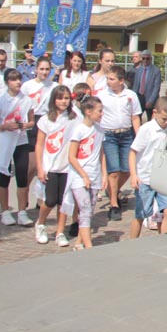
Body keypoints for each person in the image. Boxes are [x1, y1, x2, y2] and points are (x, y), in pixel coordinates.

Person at [33, 85, 79, 246]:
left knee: (63, 201)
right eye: (60, 98)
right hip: (50, 166)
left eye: (66, 98)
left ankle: (60, 232)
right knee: (50, 200)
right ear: (54, 100)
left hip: (67, 166)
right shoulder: (45, 120)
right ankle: (40, 224)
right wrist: (40, 168)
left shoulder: (74, 118)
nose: (63, 101)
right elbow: (39, 144)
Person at [0, 69, 35, 226]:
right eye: (13, 80)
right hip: (5, 142)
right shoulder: (0, 101)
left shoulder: (27, 100)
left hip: (21, 141)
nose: (17, 82)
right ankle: (5, 212)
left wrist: (25, 125)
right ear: (7, 82)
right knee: (4, 177)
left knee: (22, 176)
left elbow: (31, 121)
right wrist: (4, 127)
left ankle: (22, 212)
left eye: (19, 79)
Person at [98, 66, 142, 221]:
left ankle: (113, 190)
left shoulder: (130, 95)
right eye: (107, 79)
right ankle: (114, 204)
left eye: (112, 79)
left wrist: (139, 137)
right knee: (114, 170)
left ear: (121, 81)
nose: (108, 82)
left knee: (127, 169)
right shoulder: (102, 95)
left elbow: (135, 117)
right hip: (109, 135)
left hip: (126, 134)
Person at [128, 96, 167, 237]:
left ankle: (164, 240)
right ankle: (132, 242)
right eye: (164, 119)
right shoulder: (146, 129)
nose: (166, 123)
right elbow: (133, 152)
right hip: (145, 178)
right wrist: (134, 175)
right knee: (141, 213)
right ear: (155, 113)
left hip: (163, 179)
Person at [67, 95, 106, 250]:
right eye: (99, 111)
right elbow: (71, 156)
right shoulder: (79, 130)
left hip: (94, 175)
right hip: (79, 176)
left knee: (89, 210)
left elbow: (101, 153)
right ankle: (89, 246)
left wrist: (104, 174)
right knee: (85, 208)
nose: (102, 114)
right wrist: (83, 175)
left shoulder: (100, 130)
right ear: (88, 112)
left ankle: (79, 242)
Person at [21, 56, 58, 188]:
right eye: (41, 69)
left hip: (48, 121)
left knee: (46, 162)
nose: (44, 72)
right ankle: (24, 191)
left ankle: (42, 195)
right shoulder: (27, 86)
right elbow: (21, 105)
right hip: (32, 122)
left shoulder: (55, 87)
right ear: (36, 69)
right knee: (31, 166)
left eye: (47, 69)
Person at [131, 50, 161, 120]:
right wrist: (133, 98)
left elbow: (156, 88)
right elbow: (135, 85)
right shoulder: (139, 70)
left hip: (150, 99)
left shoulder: (156, 71)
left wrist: (151, 101)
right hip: (139, 98)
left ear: (151, 59)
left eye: (147, 58)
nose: (145, 60)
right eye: (143, 58)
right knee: (136, 118)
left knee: (151, 120)